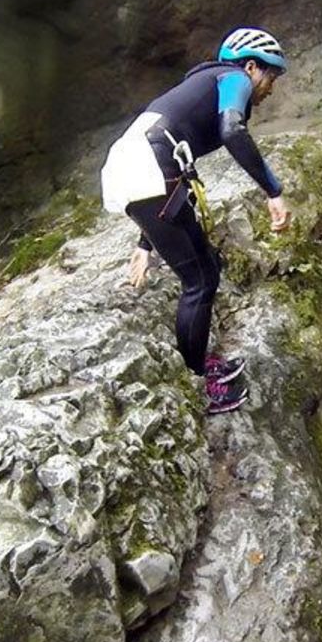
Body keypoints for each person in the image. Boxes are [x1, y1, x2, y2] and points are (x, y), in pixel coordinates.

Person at [100, 27, 291, 415]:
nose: (270, 89)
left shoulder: (199, 86)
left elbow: (170, 162)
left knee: (206, 269)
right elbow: (232, 130)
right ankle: (199, 383)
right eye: (270, 76)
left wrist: (146, 244)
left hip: (140, 169)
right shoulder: (233, 77)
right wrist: (273, 191)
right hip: (148, 170)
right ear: (251, 67)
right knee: (199, 281)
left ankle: (199, 364)